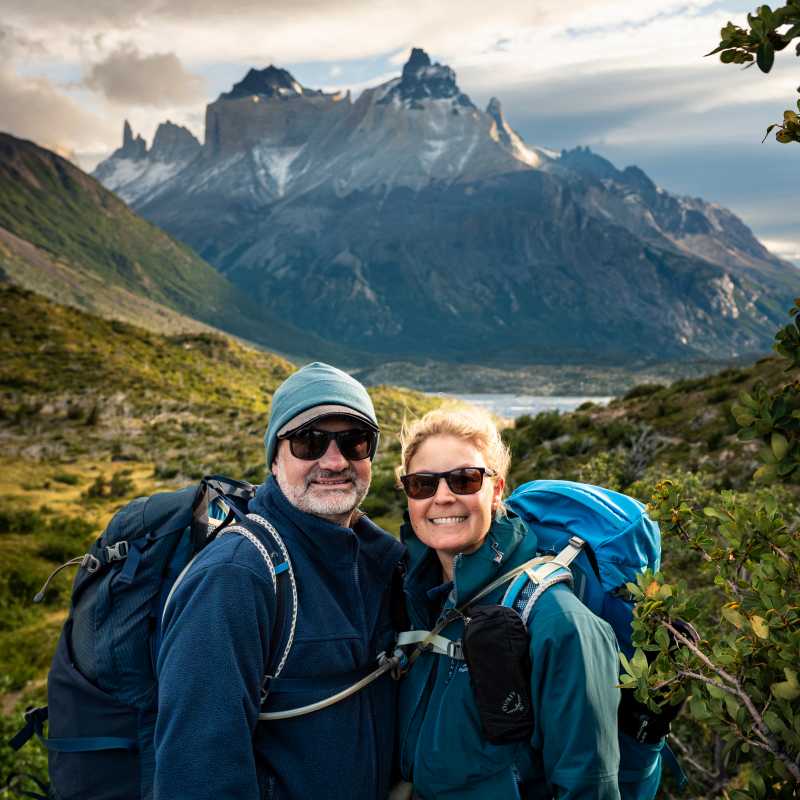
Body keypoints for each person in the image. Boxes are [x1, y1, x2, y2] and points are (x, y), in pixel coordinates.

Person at [153, 362, 405, 800]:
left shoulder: (384, 563)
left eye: (354, 441)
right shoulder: (236, 575)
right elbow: (197, 773)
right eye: (309, 442)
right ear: (274, 458)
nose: (334, 460)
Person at [395, 408, 621, 800]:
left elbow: (590, 786)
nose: (443, 497)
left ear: (496, 490)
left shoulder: (558, 621)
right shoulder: (413, 596)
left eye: (465, 480)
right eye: (423, 484)